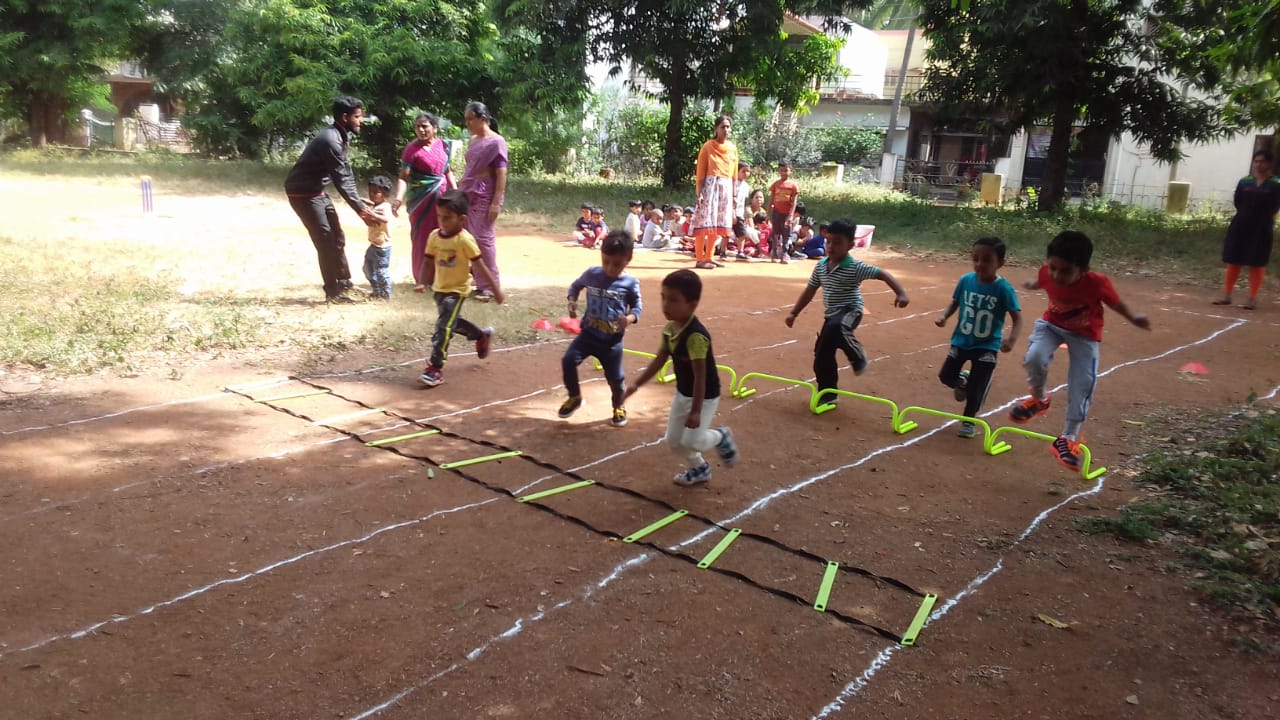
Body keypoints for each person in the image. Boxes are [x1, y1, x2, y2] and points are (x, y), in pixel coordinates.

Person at [1009, 230, 1151, 470]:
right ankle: (1039, 400)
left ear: (1084, 270)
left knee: (1082, 383)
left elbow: (1117, 304)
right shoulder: (1046, 272)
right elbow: (1042, 280)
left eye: (1065, 271)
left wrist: (1134, 317)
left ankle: (1069, 437)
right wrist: (1033, 284)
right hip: (1052, 326)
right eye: (1053, 268)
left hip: (1085, 335)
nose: (1057, 275)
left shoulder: (1097, 284)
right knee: (1034, 357)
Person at [624, 270, 739, 486]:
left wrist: (695, 411)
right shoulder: (670, 329)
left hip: (704, 396)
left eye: (673, 300)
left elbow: (700, 377)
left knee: (693, 441)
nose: (665, 304)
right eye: (663, 297)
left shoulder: (696, 336)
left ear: (692, 305)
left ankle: (720, 436)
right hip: (683, 392)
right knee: (674, 441)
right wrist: (636, 385)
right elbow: (659, 360)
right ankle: (700, 468)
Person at [785, 219, 910, 406]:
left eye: (837, 243)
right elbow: (809, 291)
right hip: (832, 315)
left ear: (850, 245)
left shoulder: (855, 267)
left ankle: (857, 354)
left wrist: (900, 293)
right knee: (822, 355)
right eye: (828, 241)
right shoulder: (821, 267)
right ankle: (828, 394)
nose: (831, 246)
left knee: (836, 327)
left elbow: (882, 274)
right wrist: (794, 313)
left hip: (851, 310)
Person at [284, 95, 377, 304]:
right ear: (344, 117)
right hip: (302, 193)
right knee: (325, 240)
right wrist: (361, 210)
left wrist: (358, 201)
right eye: (357, 117)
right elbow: (341, 178)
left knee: (337, 237)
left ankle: (344, 282)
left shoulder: (340, 135)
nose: (361, 121)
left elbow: (346, 173)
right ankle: (333, 293)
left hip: (316, 191)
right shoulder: (330, 140)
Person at [934, 237, 1023, 438]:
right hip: (961, 340)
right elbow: (955, 303)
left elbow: (1017, 318)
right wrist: (944, 316)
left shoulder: (1003, 289)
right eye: (975, 259)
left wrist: (1011, 340)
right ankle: (961, 382)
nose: (980, 264)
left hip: (987, 346)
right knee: (946, 376)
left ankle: (969, 421)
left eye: (986, 260)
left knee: (976, 388)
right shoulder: (966, 280)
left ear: (1000, 263)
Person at [414, 189, 504, 387]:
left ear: (462, 219)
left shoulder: (464, 240)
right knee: (452, 322)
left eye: (447, 217)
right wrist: (421, 281)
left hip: (457, 290)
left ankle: (435, 369)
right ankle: (481, 335)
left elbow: (480, 266)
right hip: (440, 288)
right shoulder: (434, 236)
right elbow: (427, 261)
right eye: (439, 216)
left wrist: (495, 290)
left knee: (443, 328)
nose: (442, 221)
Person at [560, 230, 644, 427]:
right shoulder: (592, 274)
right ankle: (574, 397)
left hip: (611, 342)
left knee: (616, 378)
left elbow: (637, 307)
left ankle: (619, 405)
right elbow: (575, 286)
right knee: (568, 360)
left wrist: (629, 318)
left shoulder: (630, 283)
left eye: (616, 264)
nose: (610, 268)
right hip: (588, 335)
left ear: (628, 260)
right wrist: (572, 300)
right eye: (606, 262)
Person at [392, 112, 455, 290]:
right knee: (423, 238)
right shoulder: (411, 150)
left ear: (434, 128)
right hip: (420, 202)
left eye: (425, 126)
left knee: (444, 235)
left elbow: (447, 171)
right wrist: (398, 198)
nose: (421, 130)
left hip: (443, 200)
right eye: (418, 126)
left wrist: (456, 192)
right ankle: (423, 277)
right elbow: (403, 177)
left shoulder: (443, 146)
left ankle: (444, 275)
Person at [1214, 149, 1280, 310]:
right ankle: (1226, 295)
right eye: (1256, 161)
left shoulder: (1275, 183)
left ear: (1269, 163)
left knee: (1257, 262)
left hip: (1262, 227)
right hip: (1240, 225)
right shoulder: (1244, 181)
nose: (1258, 164)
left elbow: (1275, 205)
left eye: (1262, 161)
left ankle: (1252, 298)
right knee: (1233, 260)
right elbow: (1238, 201)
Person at [459, 101, 509, 302]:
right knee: (469, 237)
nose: (468, 123)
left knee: (483, 239)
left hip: (485, 195)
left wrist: (496, 202)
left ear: (484, 118)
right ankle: (478, 280)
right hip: (468, 194)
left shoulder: (496, 142)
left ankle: (489, 286)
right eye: (466, 120)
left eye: (471, 119)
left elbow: (501, 173)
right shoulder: (473, 141)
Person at [692, 115, 739, 270]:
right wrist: (700, 193)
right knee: (704, 223)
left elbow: (734, 175)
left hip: (726, 189)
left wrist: (734, 195)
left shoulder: (732, 148)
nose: (725, 130)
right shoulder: (708, 146)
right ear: (716, 129)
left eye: (728, 127)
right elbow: (701, 172)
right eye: (722, 127)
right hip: (710, 188)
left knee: (717, 224)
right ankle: (700, 259)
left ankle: (710, 257)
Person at [362, 175, 396, 300]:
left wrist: (373, 214)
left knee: (381, 271)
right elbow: (372, 206)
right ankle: (376, 291)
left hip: (383, 247)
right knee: (367, 268)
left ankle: (386, 294)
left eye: (376, 192)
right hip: (373, 245)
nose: (372, 194)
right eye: (370, 191)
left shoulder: (385, 207)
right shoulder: (375, 206)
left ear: (385, 194)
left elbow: (386, 219)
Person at [768, 162, 800, 263]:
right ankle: (774, 252)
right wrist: (768, 214)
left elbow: (794, 202)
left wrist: (790, 215)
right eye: (781, 170)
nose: (783, 173)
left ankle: (785, 253)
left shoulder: (793, 186)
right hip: (776, 212)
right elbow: (771, 200)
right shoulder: (775, 184)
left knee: (786, 234)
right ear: (779, 171)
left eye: (786, 170)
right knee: (775, 233)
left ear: (790, 171)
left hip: (787, 214)